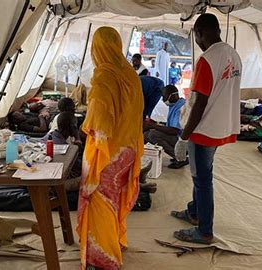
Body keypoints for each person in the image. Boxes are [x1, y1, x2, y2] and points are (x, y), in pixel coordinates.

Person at [171, 13, 242, 244]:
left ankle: (205, 231)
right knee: (201, 174)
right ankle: (194, 212)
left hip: (204, 129)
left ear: (201, 32)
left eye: (197, 36)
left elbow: (199, 102)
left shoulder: (208, 59)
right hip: (221, 126)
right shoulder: (233, 55)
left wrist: (184, 136)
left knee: (202, 180)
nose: (197, 41)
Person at [77, 26, 144, 270]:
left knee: (99, 200)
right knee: (113, 198)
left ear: (97, 48)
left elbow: (100, 126)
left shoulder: (105, 76)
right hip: (128, 149)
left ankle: (104, 257)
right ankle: (113, 240)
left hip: (107, 150)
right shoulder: (129, 73)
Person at [144, 85, 188, 169]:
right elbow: (171, 125)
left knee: (153, 134)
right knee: (147, 134)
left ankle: (180, 158)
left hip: (183, 141)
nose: (163, 100)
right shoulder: (174, 105)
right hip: (178, 137)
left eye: (164, 97)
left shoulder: (181, 108)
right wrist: (156, 123)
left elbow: (175, 131)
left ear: (174, 95)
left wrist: (154, 126)